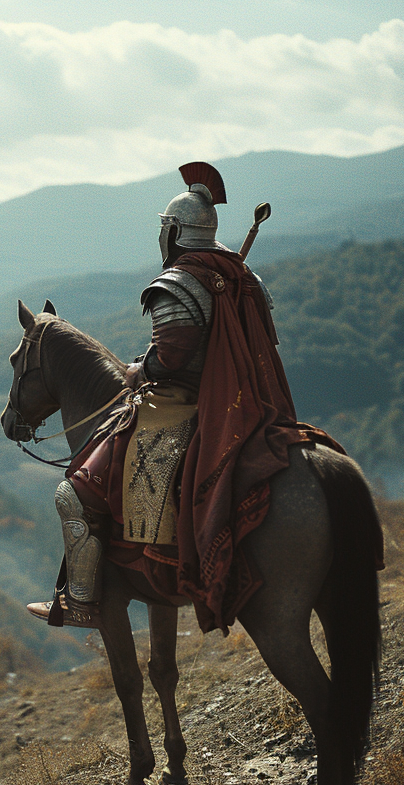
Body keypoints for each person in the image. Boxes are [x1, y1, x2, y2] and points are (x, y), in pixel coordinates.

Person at [27, 162, 337, 635]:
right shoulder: (240, 274)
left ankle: (83, 600)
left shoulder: (178, 281)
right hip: (245, 398)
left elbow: (172, 355)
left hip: (184, 401)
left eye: (164, 228)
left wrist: (138, 369)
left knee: (75, 491)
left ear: (173, 232)